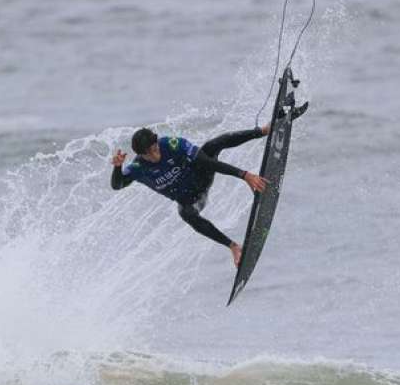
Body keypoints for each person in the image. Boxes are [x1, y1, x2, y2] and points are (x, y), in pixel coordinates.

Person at [110, 105, 307, 267]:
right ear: (140, 155)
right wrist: (118, 168)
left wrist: (244, 175)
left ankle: (264, 130)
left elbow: (207, 162)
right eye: (148, 154)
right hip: (192, 199)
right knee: (186, 214)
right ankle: (233, 247)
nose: (154, 156)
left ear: (156, 143)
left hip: (202, 176)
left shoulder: (172, 145)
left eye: (154, 149)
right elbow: (117, 185)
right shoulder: (138, 167)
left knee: (213, 145)